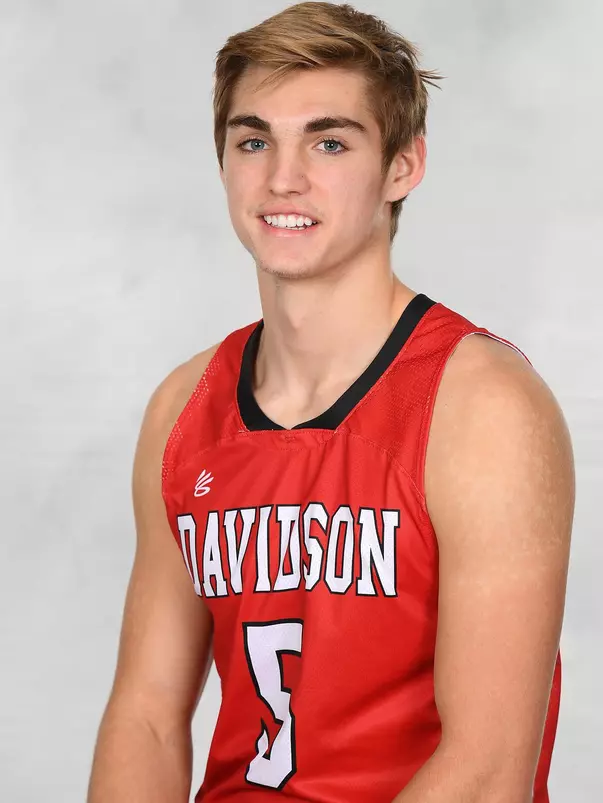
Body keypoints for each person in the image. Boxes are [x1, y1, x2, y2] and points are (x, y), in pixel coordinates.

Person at [87, 3, 575, 802]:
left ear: (402, 167)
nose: (282, 177)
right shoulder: (183, 406)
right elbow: (145, 713)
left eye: (329, 141)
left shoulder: (482, 407)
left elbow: (489, 767)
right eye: (253, 141)